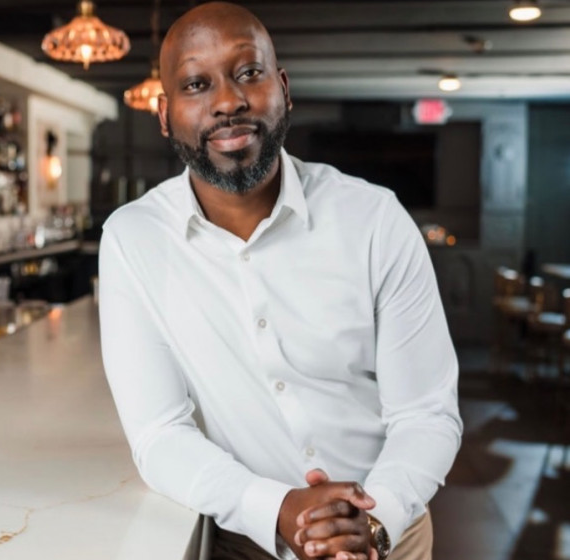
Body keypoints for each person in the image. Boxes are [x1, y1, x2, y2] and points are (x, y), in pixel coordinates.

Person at [98, 3, 462, 559]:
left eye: (249, 72)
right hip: (247, 545)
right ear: (165, 115)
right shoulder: (134, 239)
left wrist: (374, 517)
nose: (228, 101)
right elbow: (159, 433)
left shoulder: (375, 219)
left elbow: (426, 413)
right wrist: (278, 509)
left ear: (284, 89)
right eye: (197, 84)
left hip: (389, 537)